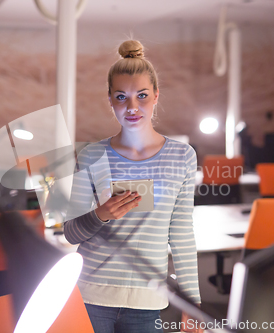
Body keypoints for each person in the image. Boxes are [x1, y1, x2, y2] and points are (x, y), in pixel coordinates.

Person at [64, 39, 200, 333]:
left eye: (142, 95)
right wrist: (100, 214)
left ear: (156, 96)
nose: (132, 107)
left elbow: (181, 235)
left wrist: (193, 304)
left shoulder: (182, 156)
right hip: (90, 296)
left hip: (148, 300)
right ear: (110, 100)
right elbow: (70, 232)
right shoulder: (92, 155)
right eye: (121, 97)